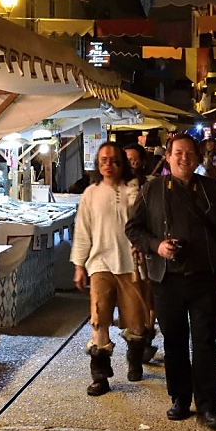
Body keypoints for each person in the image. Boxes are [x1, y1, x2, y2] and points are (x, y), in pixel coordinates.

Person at [125, 134, 216, 430]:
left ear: (197, 157)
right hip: (167, 280)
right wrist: (156, 246)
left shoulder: (210, 189)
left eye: (189, 153)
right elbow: (133, 228)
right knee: (174, 340)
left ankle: (209, 406)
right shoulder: (151, 189)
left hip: (204, 277)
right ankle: (180, 398)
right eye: (178, 153)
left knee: (205, 341)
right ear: (167, 156)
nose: (184, 158)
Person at [71, 143, 147, 396]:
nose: (108, 165)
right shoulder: (90, 193)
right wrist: (79, 266)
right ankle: (100, 376)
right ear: (98, 164)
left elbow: (145, 223)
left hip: (131, 264)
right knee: (98, 318)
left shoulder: (134, 190)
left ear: (122, 163)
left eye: (114, 160)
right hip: (100, 263)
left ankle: (135, 359)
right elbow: (82, 231)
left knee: (137, 322)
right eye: (103, 160)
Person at [124, 141, 161, 363]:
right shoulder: (117, 188)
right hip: (125, 251)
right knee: (134, 299)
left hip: (149, 249)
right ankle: (137, 342)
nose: (131, 163)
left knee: (150, 297)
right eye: (127, 160)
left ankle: (145, 338)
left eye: (134, 159)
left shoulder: (152, 185)